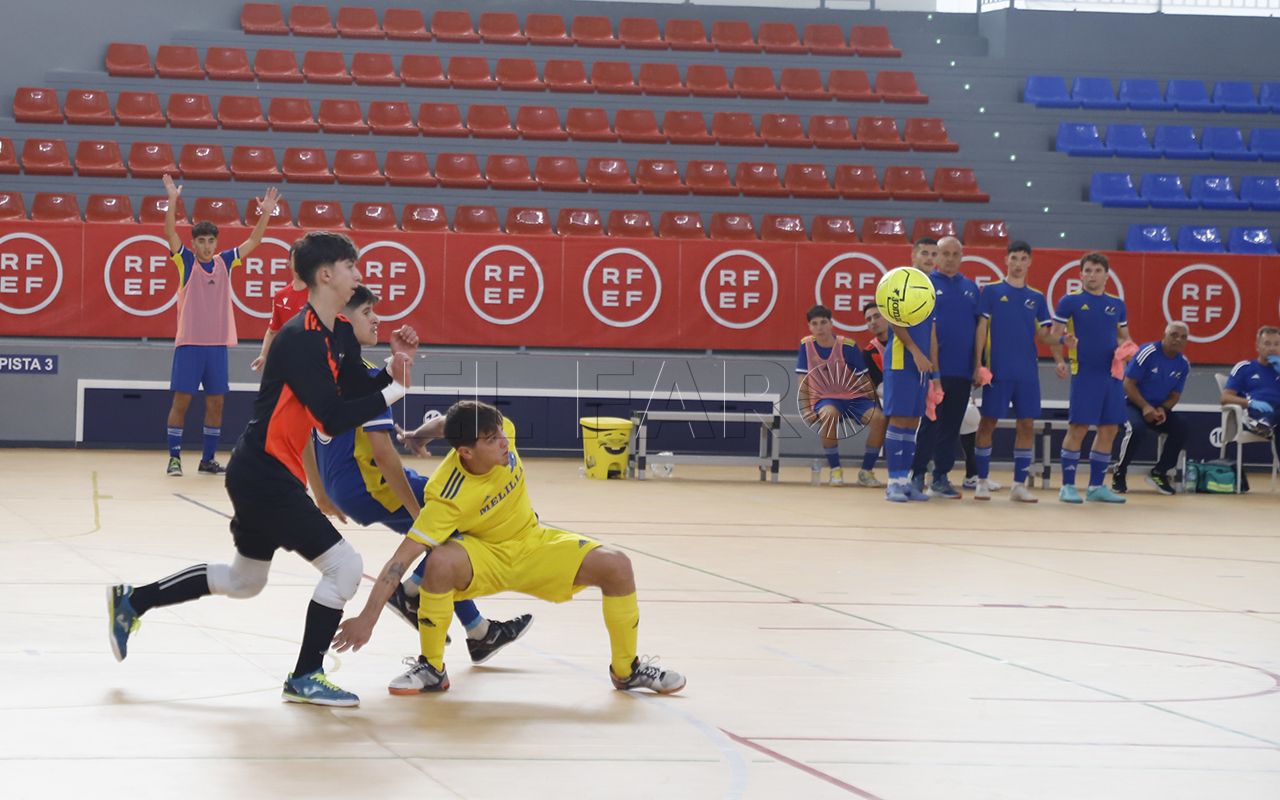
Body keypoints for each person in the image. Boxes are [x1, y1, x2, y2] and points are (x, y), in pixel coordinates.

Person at [109, 231, 419, 707]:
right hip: (264, 472)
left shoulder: (334, 334)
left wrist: (395, 370)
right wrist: (393, 391)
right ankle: (306, 676)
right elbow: (332, 418)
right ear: (326, 275)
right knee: (345, 567)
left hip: (265, 472)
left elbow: (359, 387)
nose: (359, 275)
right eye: (352, 266)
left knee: (244, 581)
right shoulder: (298, 339)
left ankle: (132, 601)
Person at [332, 400, 686, 697]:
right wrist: (368, 618)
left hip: (534, 542)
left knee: (617, 564)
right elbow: (399, 560)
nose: (503, 442)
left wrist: (419, 435)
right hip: (485, 558)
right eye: (491, 439)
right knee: (438, 560)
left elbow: (449, 423)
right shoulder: (445, 494)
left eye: (500, 433)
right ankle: (432, 669)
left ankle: (627, 670)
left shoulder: (501, 434)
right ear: (466, 452)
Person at [302, 285, 533, 664]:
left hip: (344, 484)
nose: (377, 318)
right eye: (367, 312)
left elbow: (304, 435)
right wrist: (418, 515)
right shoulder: (360, 377)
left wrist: (321, 491)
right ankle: (410, 593)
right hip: (372, 483)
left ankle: (478, 632)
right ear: (342, 319)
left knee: (444, 541)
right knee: (457, 533)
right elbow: (384, 455)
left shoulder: (321, 369)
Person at [162, 174, 280, 477]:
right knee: (182, 403)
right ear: (193, 243)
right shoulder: (185, 262)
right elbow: (170, 232)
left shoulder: (227, 262)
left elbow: (254, 241)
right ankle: (174, 458)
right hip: (189, 345)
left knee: (216, 405)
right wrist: (173, 200)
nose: (206, 246)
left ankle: (207, 460)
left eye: (210, 240)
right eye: (200, 241)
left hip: (217, 346)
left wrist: (266, 211)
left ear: (216, 242)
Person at [971, 241, 1065, 502]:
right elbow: (981, 329)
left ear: (1030, 262)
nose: (1018, 263)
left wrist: (1062, 344)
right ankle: (981, 480)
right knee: (988, 422)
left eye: (1024, 258)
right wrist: (978, 364)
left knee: (1026, 423)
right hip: (997, 370)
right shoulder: (990, 291)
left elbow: (1045, 337)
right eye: (1014, 257)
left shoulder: (1036, 297)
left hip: (1026, 373)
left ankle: (1018, 485)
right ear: (1006, 260)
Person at [1051, 252, 1132, 504]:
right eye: (1087, 271)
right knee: (1079, 427)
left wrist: (1126, 351)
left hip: (1112, 375)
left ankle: (1096, 486)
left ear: (1107, 275)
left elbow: (1124, 336)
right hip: (1084, 372)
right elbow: (1054, 335)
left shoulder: (1117, 304)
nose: (1092, 275)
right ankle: (1067, 486)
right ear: (1080, 274)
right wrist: (1062, 353)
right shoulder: (1069, 302)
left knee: (1109, 428)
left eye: (1097, 271)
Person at [910, 236, 979, 499]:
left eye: (955, 254)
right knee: (929, 425)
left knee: (951, 427)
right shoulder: (925, 285)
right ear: (937, 257)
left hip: (962, 372)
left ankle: (941, 477)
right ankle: (917, 474)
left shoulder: (972, 289)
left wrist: (977, 367)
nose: (950, 258)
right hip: (932, 372)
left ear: (962, 257)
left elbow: (979, 332)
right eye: (944, 253)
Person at [881, 239, 941, 503]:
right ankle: (892, 482)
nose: (929, 258)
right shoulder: (901, 282)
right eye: (925, 253)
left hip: (922, 365)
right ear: (913, 255)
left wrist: (935, 372)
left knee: (913, 423)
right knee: (899, 420)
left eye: (933, 254)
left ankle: (904, 482)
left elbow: (932, 333)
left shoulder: (930, 287)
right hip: (900, 360)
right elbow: (895, 321)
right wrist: (915, 352)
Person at [796, 305, 881, 487]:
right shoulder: (806, 345)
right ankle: (835, 469)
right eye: (815, 324)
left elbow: (864, 379)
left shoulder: (847, 346)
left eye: (824, 323)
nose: (820, 327)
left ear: (831, 324)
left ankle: (866, 471)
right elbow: (803, 379)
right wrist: (806, 409)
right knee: (828, 415)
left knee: (879, 419)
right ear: (810, 327)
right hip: (825, 399)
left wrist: (875, 404)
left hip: (854, 397)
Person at [1112, 322, 1191, 495]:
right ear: (1164, 335)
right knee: (1137, 429)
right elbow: (1128, 384)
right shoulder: (1148, 352)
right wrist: (1145, 407)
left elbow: (1175, 395)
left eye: (1183, 337)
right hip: (1130, 403)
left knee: (1182, 426)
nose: (1178, 340)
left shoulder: (1183, 364)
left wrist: (1163, 409)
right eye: (1174, 335)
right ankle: (1119, 472)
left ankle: (1159, 472)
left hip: (1156, 409)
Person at [250, 241, 308, 372]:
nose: (300, 263)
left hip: (312, 361)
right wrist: (263, 355)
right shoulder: (280, 296)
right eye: (296, 259)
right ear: (289, 263)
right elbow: (272, 330)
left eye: (303, 259)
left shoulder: (319, 294)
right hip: (286, 360)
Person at [1221, 325, 1280, 454]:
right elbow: (1225, 398)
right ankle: (1262, 423)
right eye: (1267, 344)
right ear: (1257, 347)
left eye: (1276, 344)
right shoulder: (1245, 367)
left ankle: (1267, 424)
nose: (1272, 348)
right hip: (1254, 413)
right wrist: (1250, 403)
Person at [857, 301, 891, 487]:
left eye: (877, 316)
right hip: (884, 397)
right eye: (868, 319)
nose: (872, 322)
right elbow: (873, 388)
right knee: (882, 418)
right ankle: (866, 470)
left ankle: (918, 472)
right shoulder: (868, 353)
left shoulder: (905, 342)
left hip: (909, 394)